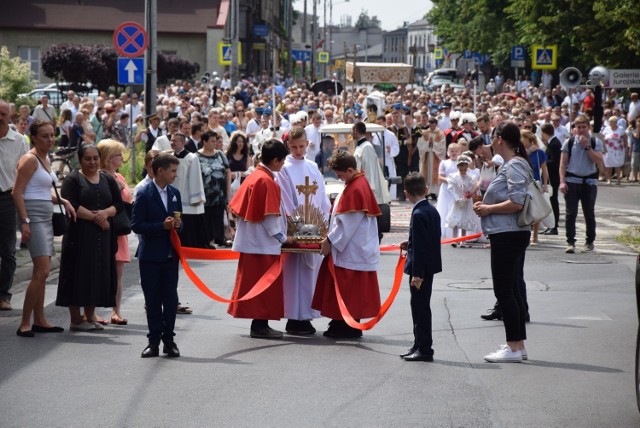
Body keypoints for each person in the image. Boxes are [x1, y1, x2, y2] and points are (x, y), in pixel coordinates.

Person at [473, 122, 532, 363]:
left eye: (492, 138)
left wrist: (488, 209)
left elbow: (517, 202)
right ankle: (517, 344)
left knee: (505, 290)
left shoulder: (515, 164)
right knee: (512, 289)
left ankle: (513, 347)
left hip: (509, 233)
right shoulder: (513, 163)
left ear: (499, 139)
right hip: (509, 232)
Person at [12, 120, 76, 336]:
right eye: (45, 136)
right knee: (42, 271)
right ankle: (24, 323)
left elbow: (37, 190)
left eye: (52, 135)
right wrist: (25, 221)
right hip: (34, 218)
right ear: (34, 138)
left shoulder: (45, 158)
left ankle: (40, 319)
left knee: (43, 272)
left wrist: (63, 201)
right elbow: (17, 192)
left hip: (46, 216)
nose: (50, 140)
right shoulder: (30, 159)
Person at [312, 151, 382, 339]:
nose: (338, 177)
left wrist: (329, 240)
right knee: (349, 289)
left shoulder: (356, 188)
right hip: (353, 248)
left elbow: (347, 224)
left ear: (350, 170)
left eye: (340, 174)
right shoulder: (355, 183)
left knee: (349, 290)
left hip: (352, 249)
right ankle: (340, 322)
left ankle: (348, 325)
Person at [227, 139, 293, 338]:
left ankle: (260, 324)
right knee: (264, 288)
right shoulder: (266, 180)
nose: (282, 166)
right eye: (282, 162)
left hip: (252, 241)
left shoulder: (255, 175)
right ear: (275, 160)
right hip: (262, 244)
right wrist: (283, 238)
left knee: (256, 286)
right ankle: (260, 325)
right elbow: (269, 217)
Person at [56, 144, 122, 331]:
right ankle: (76, 319)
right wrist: (97, 218)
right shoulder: (72, 179)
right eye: (88, 158)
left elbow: (118, 203)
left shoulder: (107, 179)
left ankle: (90, 315)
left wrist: (106, 213)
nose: (92, 162)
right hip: (79, 235)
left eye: (95, 158)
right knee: (78, 273)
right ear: (80, 159)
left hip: (103, 236)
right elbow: (72, 205)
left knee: (98, 274)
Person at [277, 126, 331, 335]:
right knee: (294, 275)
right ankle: (294, 317)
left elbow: (322, 196)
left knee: (311, 274)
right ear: (288, 145)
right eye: (294, 147)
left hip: (315, 227)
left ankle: (306, 315)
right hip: (296, 228)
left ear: (308, 144)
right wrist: (299, 226)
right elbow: (287, 200)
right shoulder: (285, 168)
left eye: (302, 146)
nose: (298, 151)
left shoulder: (313, 167)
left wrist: (324, 223)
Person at [131, 153, 182, 358]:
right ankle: (153, 341)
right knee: (152, 300)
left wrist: (178, 225)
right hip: (151, 256)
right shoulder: (144, 193)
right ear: (160, 171)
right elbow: (136, 226)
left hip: (170, 255)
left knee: (171, 299)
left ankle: (169, 339)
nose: (175, 175)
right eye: (172, 171)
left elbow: (181, 221)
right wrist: (161, 226)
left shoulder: (175, 193)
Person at [399, 172, 442, 361]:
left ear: (406, 193)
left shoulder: (417, 213)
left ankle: (424, 348)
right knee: (419, 306)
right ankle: (418, 344)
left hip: (420, 270)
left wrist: (417, 274)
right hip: (429, 266)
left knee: (420, 308)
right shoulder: (431, 210)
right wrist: (409, 244)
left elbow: (422, 247)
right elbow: (427, 239)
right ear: (426, 190)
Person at [97, 139, 133, 325]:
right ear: (110, 158)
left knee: (118, 273)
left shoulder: (120, 177)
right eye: (119, 154)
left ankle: (116, 311)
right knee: (100, 271)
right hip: (106, 229)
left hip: (120, 228)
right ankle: (92, 311)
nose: (122, 158)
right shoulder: (100, 176)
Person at [559, 115, 604, 254]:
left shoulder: (596, 142)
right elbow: (563, 163)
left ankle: (589, 241)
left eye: (584, 127)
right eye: (579, 127)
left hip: (589, 182)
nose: (581, 130)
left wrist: (587, 147)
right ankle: (570, 242)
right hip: (572, 181)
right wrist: (562, 181)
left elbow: (598, 160)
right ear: (574, 129)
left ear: (588, 128)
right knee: (570, 213)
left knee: (589, 213)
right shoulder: (569, 142)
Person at [0, 100, 28, 311]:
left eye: (3, 114)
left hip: (8, 198)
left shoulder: (19, 141)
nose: (0, 117)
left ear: (10, 116)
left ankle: (4, 295)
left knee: (8, 250)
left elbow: (25, 174)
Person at [352, 121, 391, 241]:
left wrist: (366, 189)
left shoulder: (367, 147)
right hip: (362, 187)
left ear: (355, 131)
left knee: (372, 219)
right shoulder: (360, 146)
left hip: (369, 189)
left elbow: (368, 171)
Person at [197, 130, 231, 248]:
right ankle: (208, 241)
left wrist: (228, 190)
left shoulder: (220, 154)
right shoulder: (196, 156)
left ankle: (220, 238)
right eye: (212, 141)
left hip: (220, 193)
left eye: (215, 141)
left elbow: (227, 171)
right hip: (205, 194)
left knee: (219, 216)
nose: (214, 143)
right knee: (207, 218)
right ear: (204, 142)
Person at [521, 130, 549, 245]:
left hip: (535, 183)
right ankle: (525, 235)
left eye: (523, 138)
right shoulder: (520, 152)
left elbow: (544, 169)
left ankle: (535, 236)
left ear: (529, 140)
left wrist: (545, 184)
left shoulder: (539, 152)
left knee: (536, 210)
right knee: (524, 210)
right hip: (523, 183)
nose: (521, 141)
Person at [445, 156, 478, 240]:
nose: (463, 171)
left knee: (464, 219)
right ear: (458, 168)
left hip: (466, 200)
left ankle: (462, 239)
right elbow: (450, 188)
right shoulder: (454, 176)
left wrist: (468, 193)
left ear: (467, 168)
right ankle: (454, 239)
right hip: (457, 200)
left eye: (465, 169)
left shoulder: (470, 177)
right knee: (455, 219)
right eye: (461, 170)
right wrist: (456, 197)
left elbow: (473, 187)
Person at [436, 142, 461, 239]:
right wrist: (450, 181)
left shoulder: (461, 163)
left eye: (456, 151)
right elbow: (440, 177)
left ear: (459, 152)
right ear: (448, 152)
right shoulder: (444, 163)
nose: (454, 153)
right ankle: (446, 231)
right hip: (446, 189)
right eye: (451, 151)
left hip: (458, 189)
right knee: (446, 209)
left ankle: (458, 232)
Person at [541, 123, 561, 235]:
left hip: (554, 177)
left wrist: (544, 163)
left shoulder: (555, 144)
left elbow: (555, 161)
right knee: (550, 202)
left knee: (554, 201)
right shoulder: (551, 143)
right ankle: (550, 225)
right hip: (550, 176)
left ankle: (554, 226)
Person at [602, 116, 626, 185]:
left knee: (617, 164)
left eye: (612, 122)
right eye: (610, 122)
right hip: (608, 149)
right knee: (609, 164)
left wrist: (626, 146)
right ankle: (609, 179)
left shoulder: (620, 129)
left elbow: (625, 137)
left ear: (615, 122)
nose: (610, 123)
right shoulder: (606, 128)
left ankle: (618, 180)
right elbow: (603, 137)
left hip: (618, 149)